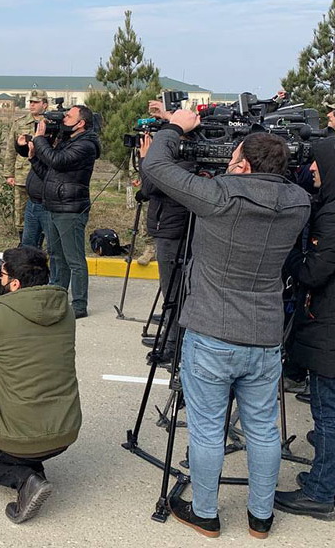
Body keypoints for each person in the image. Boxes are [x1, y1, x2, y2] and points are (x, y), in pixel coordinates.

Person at [144, 110, 311, 539]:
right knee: (263, 429)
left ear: (244, 165)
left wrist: (175, 127)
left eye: (235, 158)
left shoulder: (219, 196)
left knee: (206, 430)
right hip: (265, 335)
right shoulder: (298, 202)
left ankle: (205, 513)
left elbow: (156, 165)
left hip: (211, 334)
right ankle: (260, 517)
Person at [0, 245, 81, 524]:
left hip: (23, 436)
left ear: (16, 284)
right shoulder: (66, 311)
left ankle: (26, 479)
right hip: (64, 432)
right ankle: (34, 468)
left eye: (3, 274)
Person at [275, 139, 335, 520]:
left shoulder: (331, 216)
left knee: (326, 415)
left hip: (327, 332)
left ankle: (320, 492)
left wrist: (291, 254)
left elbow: (314, 271)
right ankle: (325, 480)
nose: (310, 169)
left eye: (317, 164)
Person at [31, 104, 100, 319]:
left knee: (74, 259)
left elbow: (57, 161)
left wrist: (39, 139)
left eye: (68, 116)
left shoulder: (86, 145)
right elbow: (49, 172)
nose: (63, 119)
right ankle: (58, 297)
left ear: (81, 123)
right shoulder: (67, 141)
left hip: (71, 208)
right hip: (54, 206)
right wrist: (33, 157)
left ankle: (79, 305)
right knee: (56, 256)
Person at [138, 99, 192, 360]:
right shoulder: (179, 159)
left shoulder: (183, 162)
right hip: (169, 227)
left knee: (173, 291)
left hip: (173, 230)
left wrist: (146, 159)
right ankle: (170, 339)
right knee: (172, 289)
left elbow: (150, 186)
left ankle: (172, 346)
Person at [6, 91, 49, 241]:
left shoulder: (51, 123)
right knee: (21, 212)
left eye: (36, 102)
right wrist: (9, 174)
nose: (32, 105)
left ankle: (40, 241)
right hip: (23, 175)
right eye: (31, 102)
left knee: (43, 211)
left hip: (43, 175)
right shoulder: (20, 123)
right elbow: (11, 149)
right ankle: (23, 243)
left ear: (45, 104)